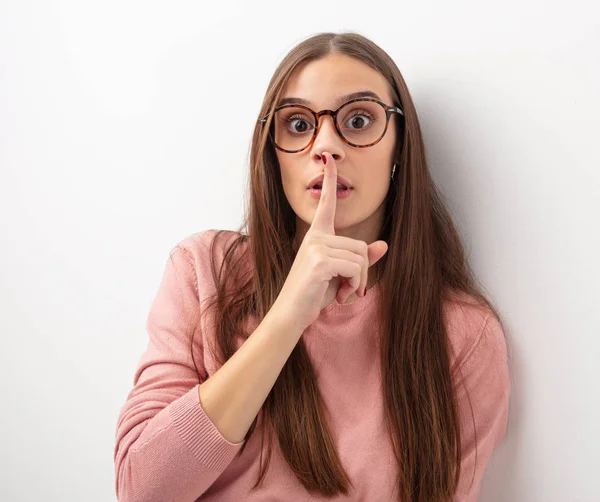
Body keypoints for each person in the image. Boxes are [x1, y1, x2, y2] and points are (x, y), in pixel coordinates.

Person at [114, 31, 511, 502]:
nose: (326, 146)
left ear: (400, 148)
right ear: (272, 151)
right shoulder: (204, 271)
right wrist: (287, 316)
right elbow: (143, 490)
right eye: (299, 125)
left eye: (359, 120)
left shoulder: (463, 335)